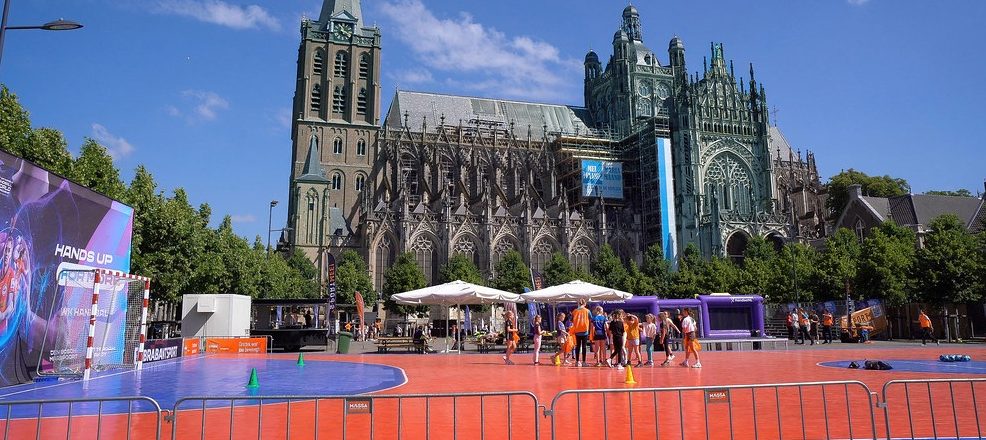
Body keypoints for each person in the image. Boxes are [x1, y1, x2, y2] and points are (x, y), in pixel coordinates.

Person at [570, 299, 591, 367]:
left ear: (579, 304)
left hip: (577, 330)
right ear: (585, 304)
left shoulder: (575, 311)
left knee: (577, 346)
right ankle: (584, 362)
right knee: (584, 346)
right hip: (585, 330)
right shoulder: (587, 311)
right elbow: (591, 318)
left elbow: (571, 319)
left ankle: (577, 361)